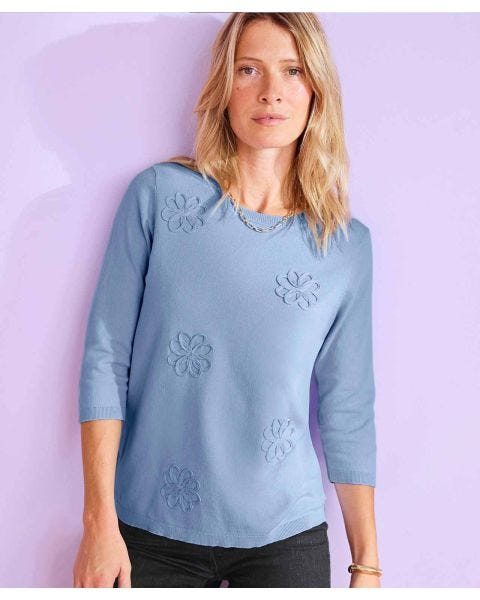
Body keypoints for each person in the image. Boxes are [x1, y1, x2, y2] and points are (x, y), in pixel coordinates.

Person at [73, 12, 382, 588]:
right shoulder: (159, 197)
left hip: (286, 535)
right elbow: (105, 359)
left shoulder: (343, 245)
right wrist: (98, 523)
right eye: (249, 69)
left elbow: (348, 406)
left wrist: (366, 564)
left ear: (316, 90)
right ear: (224, 85)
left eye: (293, 71)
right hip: (147, 528)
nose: (271, 91)